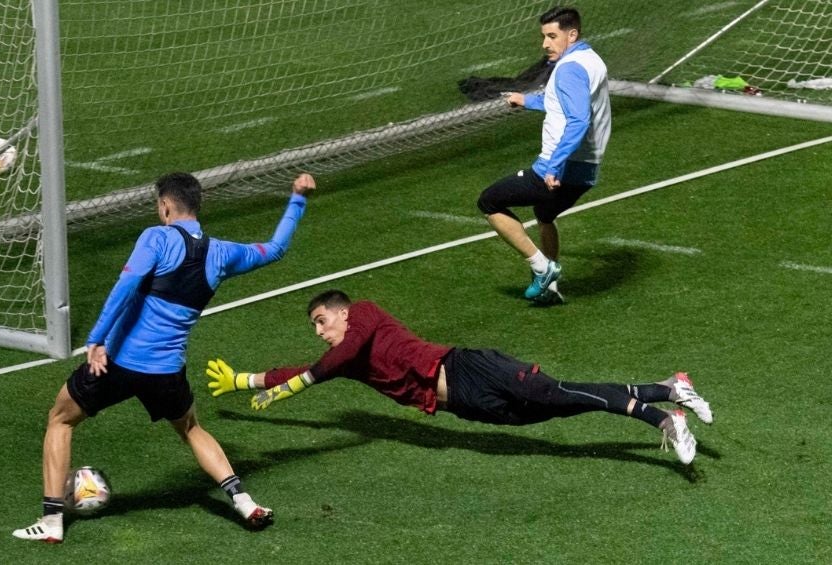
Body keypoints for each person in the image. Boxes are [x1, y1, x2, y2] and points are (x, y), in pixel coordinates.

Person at [13, 171, 316, 543]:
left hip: (119, 364)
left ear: (166, 206)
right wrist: (298, 197)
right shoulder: (222, 253)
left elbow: (125, 285)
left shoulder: (156, 237)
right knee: (190, 429)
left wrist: (97, 339)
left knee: (60, 419)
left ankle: (52, 521)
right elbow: (276, 248)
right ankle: (243, 500)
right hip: (167, 372)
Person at [205, 290, 712, 466]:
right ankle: (668, 388)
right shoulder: (344, 358)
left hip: (467, 365)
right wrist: (248, 380)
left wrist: (294, 388)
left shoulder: (364, 315)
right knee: (560, 406)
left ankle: (662, 419)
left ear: (340, 313)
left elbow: (325, 365)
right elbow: (308, 368)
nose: (319, 332)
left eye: (320, 321)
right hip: (464, 403)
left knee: (558, 392)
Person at [477, 7, 611, 304]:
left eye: (552, 36)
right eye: (544, 37)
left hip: (559, 167)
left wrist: (554, 166)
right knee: (545, 214)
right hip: (587, 170)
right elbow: (562, 103)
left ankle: (542, 267)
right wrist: (527, 100)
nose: (545, 44)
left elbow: (578, 119)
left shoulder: (568, 69)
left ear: (571, 34)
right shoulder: (590, 60)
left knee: (489, 201)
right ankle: (549, 290)